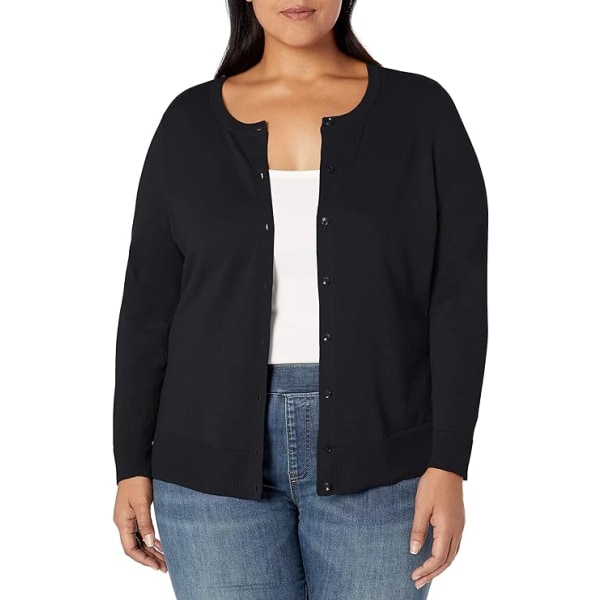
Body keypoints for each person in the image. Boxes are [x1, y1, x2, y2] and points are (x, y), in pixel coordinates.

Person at [112, 1, 488, 598]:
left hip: (384, 456)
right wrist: (130, 463)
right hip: (208, 465)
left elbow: (457, 302)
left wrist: (449, 462)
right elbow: (147, 310)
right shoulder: (188, 123)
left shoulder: (421, 112)